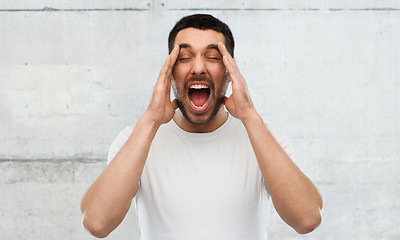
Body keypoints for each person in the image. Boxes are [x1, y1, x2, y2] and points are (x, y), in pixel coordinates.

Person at [80, 14, 323, 239]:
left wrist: (250, 116)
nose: (198, 68)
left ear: (229, 72)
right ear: (170, 72)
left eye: (214, 57)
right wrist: (150, 120)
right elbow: (97, 223)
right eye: (184, 58)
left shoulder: (265, 139)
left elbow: (307, 219)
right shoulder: (135, 140)